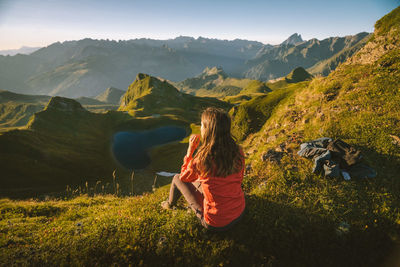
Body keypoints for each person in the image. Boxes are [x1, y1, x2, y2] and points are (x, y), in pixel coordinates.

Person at [161, 107, 245, 231]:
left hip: (215, 222)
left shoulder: (202, 159)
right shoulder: (238, 151)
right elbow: (239, 178)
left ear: (207, 130)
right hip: (239, 212)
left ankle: (169, 204)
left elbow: (184, 177)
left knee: (177, 178)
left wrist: (190, 151)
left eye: (201, 125)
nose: (200, 128)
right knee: (202, 182)